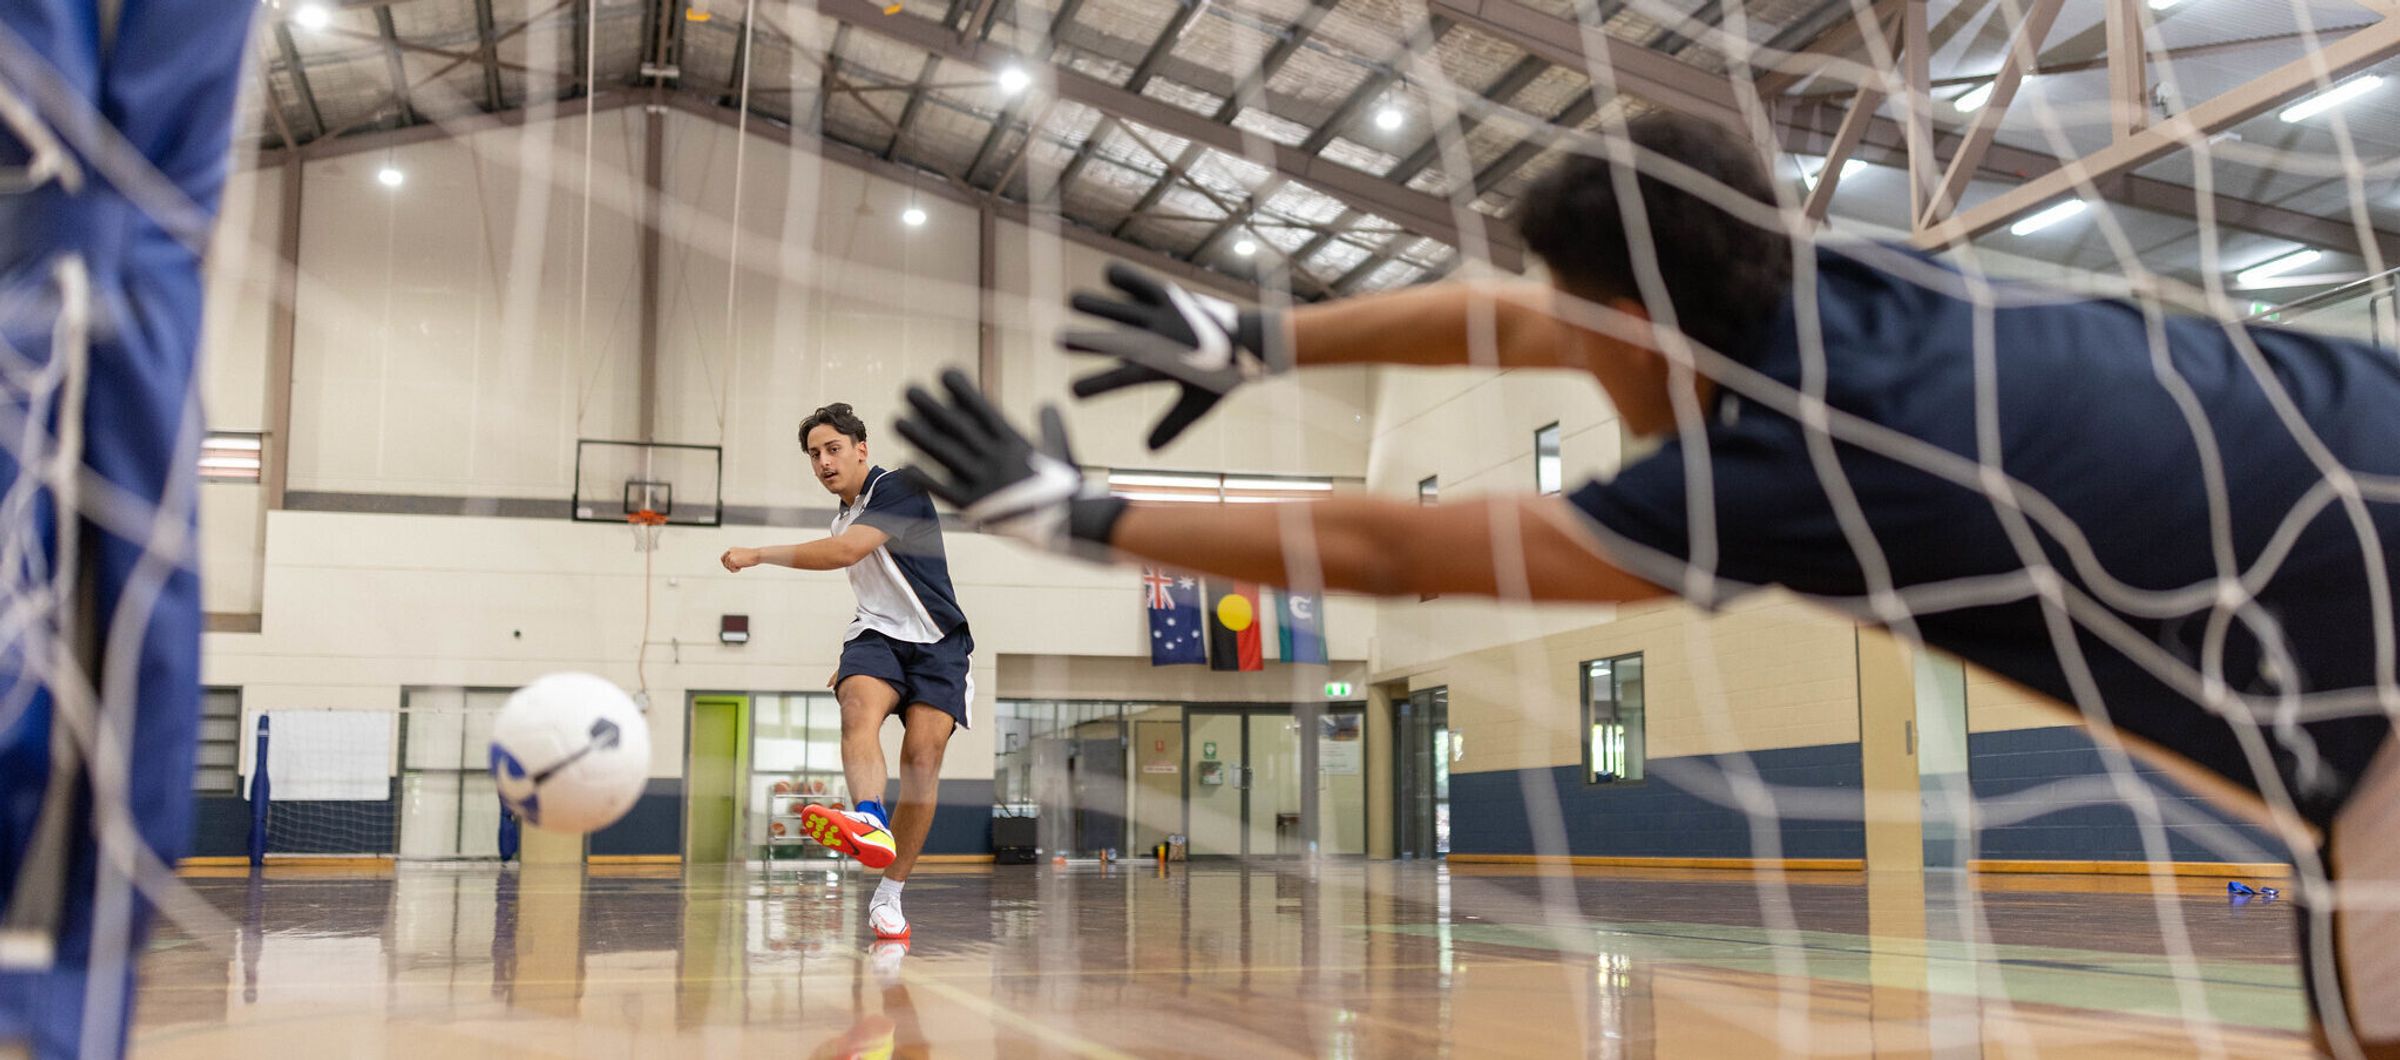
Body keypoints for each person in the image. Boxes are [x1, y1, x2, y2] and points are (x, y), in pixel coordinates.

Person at [891, 112, 2400, 1055]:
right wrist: (1263, 346)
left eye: (1576, 312)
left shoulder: (1768, 467)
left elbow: (1391, 547)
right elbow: (1525, 324)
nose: (1553, 335)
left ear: (1630, 314)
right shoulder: (1849, 279)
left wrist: (1079, 515)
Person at [723, 403, 973, 941]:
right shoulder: (842, 514)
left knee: (922, 760)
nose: (824, 462)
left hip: (939, 643)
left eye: (833, 449)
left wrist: (759, 553)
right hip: (878, 636)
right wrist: (850, 661)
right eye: (814, 454)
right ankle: (868, 817)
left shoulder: (897, 488)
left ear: (861, 448)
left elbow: (845, 553)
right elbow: (867, 582)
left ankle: (890, 895)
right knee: (857, 705)